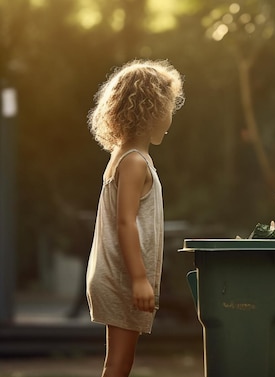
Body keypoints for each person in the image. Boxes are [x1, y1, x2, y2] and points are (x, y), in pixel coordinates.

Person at [85, 59, 185, 377]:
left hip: (119, 274)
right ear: (152, 112)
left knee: (119, 362)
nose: (171, 117)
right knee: (118, 364)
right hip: (122, 277)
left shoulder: (125, 155)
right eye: (169, 108)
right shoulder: (133, 162)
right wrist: (140, 280)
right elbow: (124, 222)